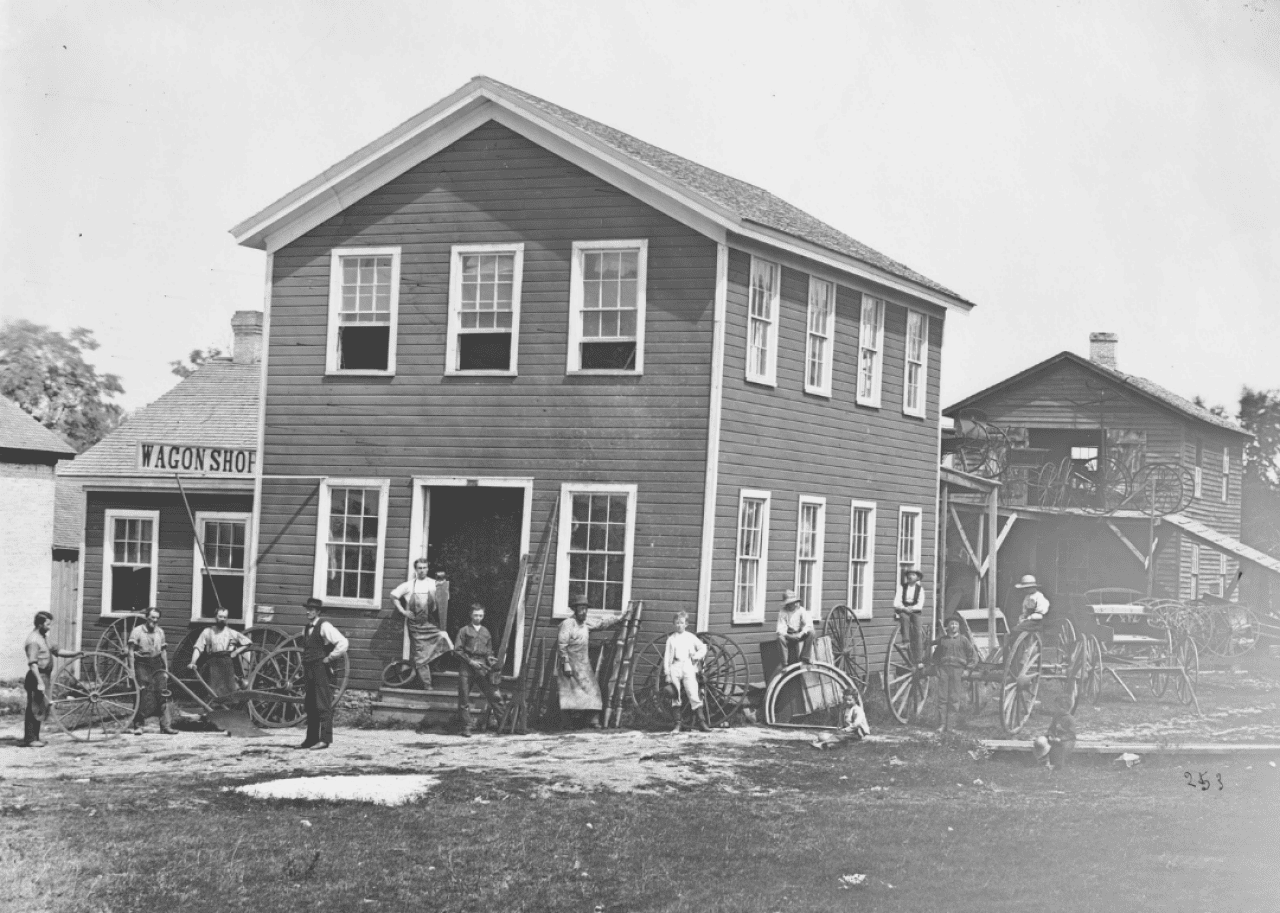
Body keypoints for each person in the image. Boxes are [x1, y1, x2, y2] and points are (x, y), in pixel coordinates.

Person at [556, 594, 623, 728]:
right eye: (581, 609)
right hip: (569, 662)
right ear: (575, 609)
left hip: (583, 664)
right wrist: (566, 665)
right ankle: (568, 722)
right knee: (569, 693)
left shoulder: (586, 623)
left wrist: (619, 618)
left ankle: (592, 720)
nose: (584, 612)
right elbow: (562, 646)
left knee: (593, 690)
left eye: (586, 609)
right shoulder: (567, 624)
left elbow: (601, 623)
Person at [20, 612, 82, 747]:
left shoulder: (44, 638)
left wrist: (75, 654)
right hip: (37, 676)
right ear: (40, 624)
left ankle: (36, 737)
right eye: (47, 624)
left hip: (44, 676)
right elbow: (33, 664)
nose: (49, 627)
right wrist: (40, 682)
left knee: (41, 707)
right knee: (34, 708)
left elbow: (58, 651)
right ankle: (30, 739)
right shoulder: (33, 640)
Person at [391, 560, 452, 691]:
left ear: (428, 569)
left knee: (444, 639)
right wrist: (403, 611)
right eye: (419, 568)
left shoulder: (433, 584)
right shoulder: (408, 585)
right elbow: (394, 596)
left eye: (424, 567)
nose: (422, 570)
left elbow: (444, 599)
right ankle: (427, 684)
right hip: (415, 624)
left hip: (429, 622)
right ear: (416, 570)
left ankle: (434, 668)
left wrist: (443, 588)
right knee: (420, 655)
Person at [299, 597, 349, 750]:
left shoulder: (324, 626)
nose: (309, 612)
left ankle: (324, 740)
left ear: (318, 612)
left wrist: (330, 657)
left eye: (312, 609)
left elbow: (343, 643)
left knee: (323, 704)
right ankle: (310, 739)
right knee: (310, 705)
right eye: (307, 609)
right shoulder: (306, 628)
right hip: (309, 670)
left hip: (320, 669)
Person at [454, 603, 503, 737]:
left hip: (482, 667)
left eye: (481, 615)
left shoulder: (486, 632)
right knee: (464, 698)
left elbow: (488, 650)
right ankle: (466, 727)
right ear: (471, 615)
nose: (478, 618)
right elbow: (457, 650)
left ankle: (504, 723)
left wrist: (490, 658)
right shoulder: (464, 631)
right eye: (476, 615)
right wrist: (470, 661)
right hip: (467, 667)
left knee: (494, 695)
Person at [129, 608, 176, 735]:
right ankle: (138, 726)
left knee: (163, 694)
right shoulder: (137, 631)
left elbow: (163, 652)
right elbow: (131, 652)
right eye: (152, 617)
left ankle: (165, 726)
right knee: (142, 693)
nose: (154, 620)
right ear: (146, 617)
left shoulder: (160, 632)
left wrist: (166, 669)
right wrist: (131, 670)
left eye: (156, 618)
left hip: (157, 664)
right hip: (142, 664)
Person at [663, 611, 709, 733]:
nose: (679, 625)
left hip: (688, 665)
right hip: (675, 666)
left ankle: (702, 723)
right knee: (675, 695)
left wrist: (696, 657)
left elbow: (703, 647)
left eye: (681, 623)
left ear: (686, 624)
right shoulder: (671, 639)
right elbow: (667, 658)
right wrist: (667, 673)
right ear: (674, 624)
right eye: (677, 623)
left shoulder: (690, 637)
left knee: (693, 692)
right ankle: (678, 724)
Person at [189, 608, 251, 698]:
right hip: (212, 662)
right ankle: (212, 708)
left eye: (225, 617)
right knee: (212, 690)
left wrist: (236, 652)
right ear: (215, 617)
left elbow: (248, 642)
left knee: (228, 690)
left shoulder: (231, 632)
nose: (222, 619)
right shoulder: (207, 632)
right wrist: (193, 662)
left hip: (227, 662)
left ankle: (227, 709)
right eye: (220, 616)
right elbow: (198, 647)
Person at [931, 615, 978, 732]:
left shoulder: (963, 640)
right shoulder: (943, 640)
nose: (953, 626)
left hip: (958, 671)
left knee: (954, 698)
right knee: (942, 698)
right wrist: (937, 668)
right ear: (947, 627)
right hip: (944, 671)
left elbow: (973, 657)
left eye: (955, 624)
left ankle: (951, 726)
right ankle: (942, 725)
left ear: (959, 626)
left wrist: (967, 670)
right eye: (951, 624)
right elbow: (936, 657)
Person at [775, 589, 814, 670]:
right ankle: (785, 664)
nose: (790, 605)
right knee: (780, 638)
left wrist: (801, 633)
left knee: (811, 632)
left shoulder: (801, 610)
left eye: (792, 603)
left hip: (799, 634)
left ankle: (805, 656)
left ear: (795, 602)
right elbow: (780, 629)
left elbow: (809, 624)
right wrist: (789, 636)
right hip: (788, 636)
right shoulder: (783, 612)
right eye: (788, 603)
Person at [894, 568, 926, 663]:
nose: (910, 576)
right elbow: (897, 602)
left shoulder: (920, 589)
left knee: (918, 632)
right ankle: (906, 642)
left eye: (913, 575)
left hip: (915, 611)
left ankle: (919, 659)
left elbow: (920, 605)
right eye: (909, 574)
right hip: (904, 609)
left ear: (917, 578)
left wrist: (911, 609)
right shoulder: (902, 588)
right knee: (904, 617)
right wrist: (904, 608)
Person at [1045, 699, 1077, 770]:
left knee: (1063, 747)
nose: (1055, 708)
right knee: (1044, 742)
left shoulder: (1070, 719)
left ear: (1064, 708)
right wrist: (1050, 735)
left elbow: (1072, 734)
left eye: (1057, 707)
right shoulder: (1056, 716)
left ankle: (1058, 766)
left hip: (1068, 740)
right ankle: (1046, 762)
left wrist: (1061, 738)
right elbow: (1051, 728)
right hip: (1056, 737)